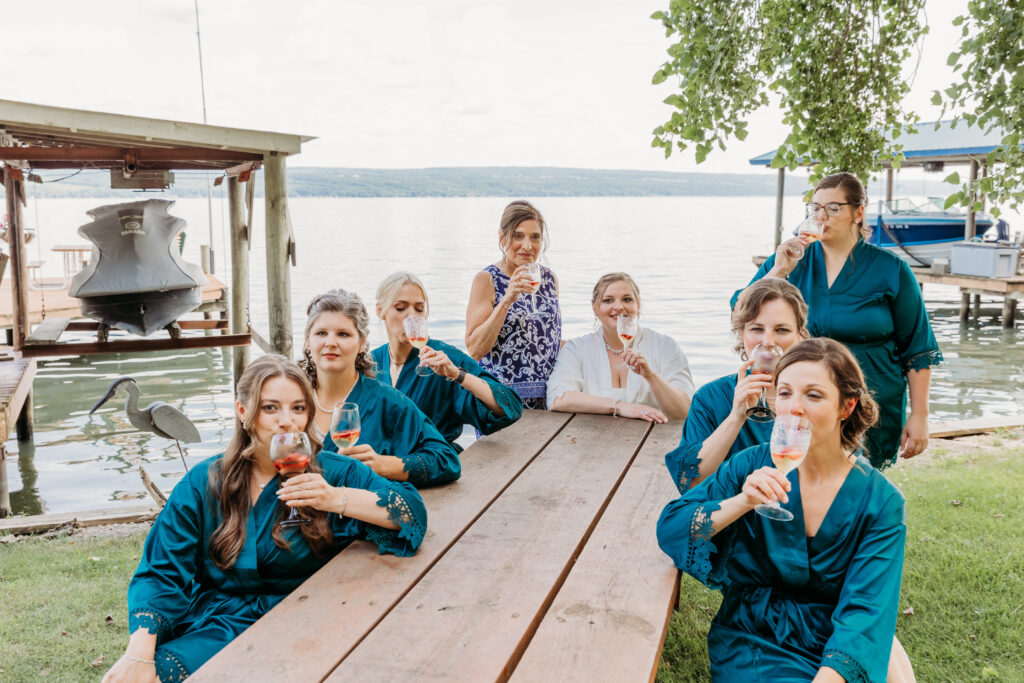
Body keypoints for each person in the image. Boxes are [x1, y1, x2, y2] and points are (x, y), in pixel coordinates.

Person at [103, 355, 427, 682]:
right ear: (243, 411)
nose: (287, 421)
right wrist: (138, 654)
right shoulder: (204, 482)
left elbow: (410, 512)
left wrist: (335, 498)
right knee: (154, 673)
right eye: (270, 408)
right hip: (220, 622)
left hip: (308, 619)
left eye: (298, 408)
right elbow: (161, 569)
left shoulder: (334, 472)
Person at [657, 338, 914, 682]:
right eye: (784, 393)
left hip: (835, 636)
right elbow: (672, 528)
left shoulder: (882, 503)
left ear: (847, 406)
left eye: (813, 395)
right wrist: (743, 501)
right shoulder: (751, 464)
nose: (794, 408)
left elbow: (865, 613)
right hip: (756, 634)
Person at [731, 172, 942, 468]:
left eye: (833, 208)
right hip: (804, 399)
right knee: (798, 478)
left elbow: (917, 349)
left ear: (858, 213)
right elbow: (739, 311)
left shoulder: (892, 269)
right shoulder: (794, 261)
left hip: (872, 399)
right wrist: (778, 270)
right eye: (815, 208)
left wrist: (920, 416)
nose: (821, 217)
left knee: (861, 485)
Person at [300, 289, 461, 487]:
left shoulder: (387, 402)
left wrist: (383, 465)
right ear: (308, 340)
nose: (331, 342)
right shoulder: (290, 398)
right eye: (321, 333)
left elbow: (445, 460)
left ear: (361, 343)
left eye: (343, 334)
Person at [666, 278, 809, 492]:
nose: (768, 341)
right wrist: (736, 417)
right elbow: (690, 484)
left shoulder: (818, 397)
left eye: (781, 330)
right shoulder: (710, 398)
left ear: (800, 336)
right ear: (741, 335)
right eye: (757, 329)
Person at [371, 271, 523, 450]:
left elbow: (509, 407)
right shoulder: (370, 363)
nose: (411, 316)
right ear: (380, 310)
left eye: (419, 309)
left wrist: (457, 374)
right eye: (400, 308)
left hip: (436, 462)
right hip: (378, 465)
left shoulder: (444, 358)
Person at [546, 272, 694, 422]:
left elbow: (685, 412)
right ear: (595, 308)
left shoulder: (665, 346)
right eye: (608, 300)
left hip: (655, 435)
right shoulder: (576, 349)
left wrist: (651, 376)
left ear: (638, 306)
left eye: (627, 299)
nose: (618, 307)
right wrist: (619, 407)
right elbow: (557, 399)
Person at [466, 200, 561, 409]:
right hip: (503, 401)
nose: (527, 246)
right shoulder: (487, 279)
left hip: (549, 400)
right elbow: (475, 349)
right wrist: (507, 300)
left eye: (535, 237)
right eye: (518, 236)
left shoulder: (549, 279)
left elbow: (551, 341)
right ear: (502, 237)